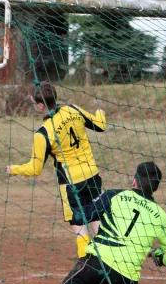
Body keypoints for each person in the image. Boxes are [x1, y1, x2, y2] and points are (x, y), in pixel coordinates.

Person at [6, 81, 106, 259]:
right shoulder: (73, 109)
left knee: (80, 227)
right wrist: (100, 112)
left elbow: (34, 169)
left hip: (71, 184)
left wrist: (14, 169)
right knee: (97, 221)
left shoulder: (43, 133)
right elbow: (100, 125)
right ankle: (108, 263)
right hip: (92, 176)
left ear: (40, 105)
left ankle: (87, 267)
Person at [58, 162, 166, 284]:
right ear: (155, 188)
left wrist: (71, 196)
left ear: (134, 181)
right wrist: (155, 254)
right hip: (125, 280)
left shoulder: (113, 195)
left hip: (95, 266)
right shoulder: (163, 218)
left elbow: (79, 217)